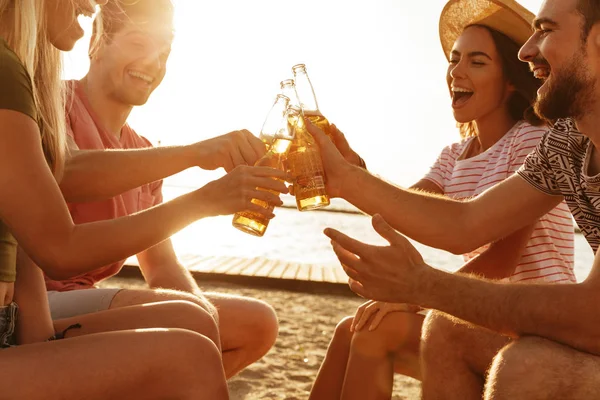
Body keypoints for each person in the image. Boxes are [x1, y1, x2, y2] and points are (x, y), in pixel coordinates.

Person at [306, 0, 600, 397]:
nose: (527, 50)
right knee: (390, 328)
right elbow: (455, 221)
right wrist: (349, 176)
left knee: (514, 363)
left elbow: (513, 264)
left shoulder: (531, 138)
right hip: (508, 314)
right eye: (455, 59)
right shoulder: (566, 142)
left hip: (549, 318)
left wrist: (420, 289)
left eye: (545, 31)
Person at [0, 0, 288, 398]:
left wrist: (198, 313)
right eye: (139, 43)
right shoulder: (49, 103)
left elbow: (163, 268)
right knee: (191, 330)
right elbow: (66, 178)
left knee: (254, 322)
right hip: (35, 299)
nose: (153, 62)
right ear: (98, 41)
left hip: (37, 307)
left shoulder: (143, 150)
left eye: (165, 52)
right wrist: (198, 166)